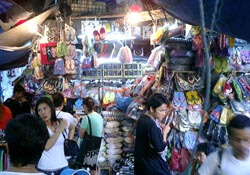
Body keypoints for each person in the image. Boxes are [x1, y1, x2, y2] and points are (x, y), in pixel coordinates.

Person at [134, 93, 171, 175]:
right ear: (152, 109)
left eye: (165, 110)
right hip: (151, 167)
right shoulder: (151, 124)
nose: (164, 114)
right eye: (161, 110)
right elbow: (160, 149)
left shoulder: (143, 118)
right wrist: (164, 133)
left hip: (142, 165)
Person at [35, 97, 71, 175]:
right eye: (39, 110)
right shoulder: (38, 127)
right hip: (46, 169)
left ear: (51, 108)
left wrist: (70, 140)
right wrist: (60, 129)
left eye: (45, 108)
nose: (43, 112)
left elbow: (72, 127)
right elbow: (46, 147)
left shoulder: (60, 121)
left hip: (64, 167)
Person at [77, 97, 103, 170]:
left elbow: (81, 135)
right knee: (94, 168)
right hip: (98, 145)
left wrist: (79, 125)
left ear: (84, 106)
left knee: (89, 168)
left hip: (89, 146)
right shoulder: (99, 116)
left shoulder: (86, 118)